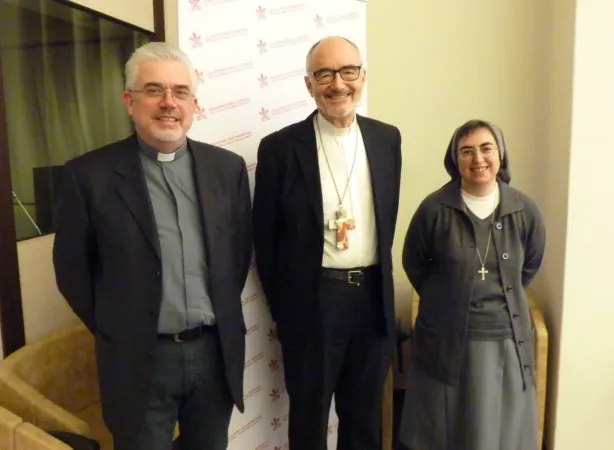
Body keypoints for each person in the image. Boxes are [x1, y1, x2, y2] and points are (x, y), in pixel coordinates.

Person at [52, 42, 252, 450]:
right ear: (130, 101)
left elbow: (237, 256)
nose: (168, 103)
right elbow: (73, 274)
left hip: (214, 357)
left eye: (180, 92)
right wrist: (121, 327)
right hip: (137, 361)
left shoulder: (227, 169)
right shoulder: (88, 176)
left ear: (194, 104)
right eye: (154, 90)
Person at [252, 36, 402, 450]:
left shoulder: (387, 139)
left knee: (365, 419)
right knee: (309, 419)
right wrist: (288, 310)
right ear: (309, 84)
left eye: (348, 71)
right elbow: (265, 240)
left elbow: (386, 219)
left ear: (362, 76)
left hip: (372, 301)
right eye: (324, 74)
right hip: (313, 303)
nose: (338, 84)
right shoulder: (280, 148)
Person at [397, 120, 546, 450]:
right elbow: (414, 264)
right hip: (448, 337)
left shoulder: (525, 210)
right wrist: (446, 298)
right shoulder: (433, 210)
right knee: (448, 429)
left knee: (499, 432)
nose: (478, 159)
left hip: (505, 338)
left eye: (486, 148)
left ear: (500, 154)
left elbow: (529, 267)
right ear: (455, 160)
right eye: (466, 151)